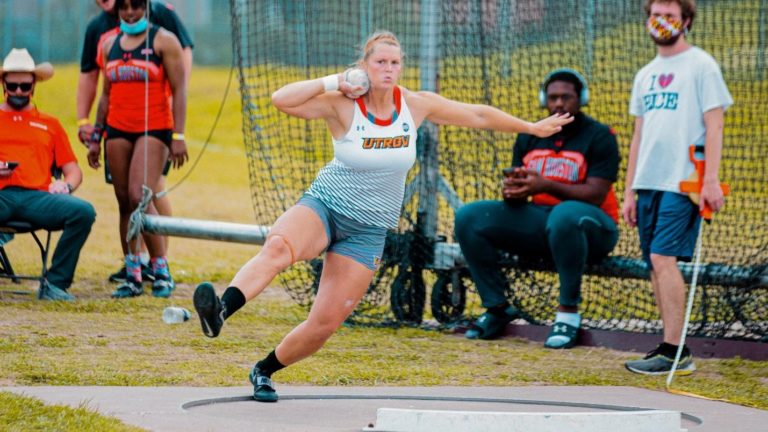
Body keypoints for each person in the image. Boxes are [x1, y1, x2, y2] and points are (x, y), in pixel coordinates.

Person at [191, 31, 572, 403]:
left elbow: (476, 114)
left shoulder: (414, 104)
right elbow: (281, 99)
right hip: (326, 206)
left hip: (368, 230)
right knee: (277, 248)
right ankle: (220, 312)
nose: (388, 69)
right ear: (365, 66)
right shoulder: (342, 102)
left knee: (324, 325)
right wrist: (335, 80)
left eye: (394, 63)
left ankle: (264, 370)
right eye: (380, 62)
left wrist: (530, 127)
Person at [454, 69, 620, 348]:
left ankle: (568, 314)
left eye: (565, 98)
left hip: (593, 227)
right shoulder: (530, 135)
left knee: (565, 215)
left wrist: (545, 185)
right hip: (546, 223)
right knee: (470, 217)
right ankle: (497, 308)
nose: (558, 104)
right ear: (544, 100)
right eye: (553, 98)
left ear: (581, 100)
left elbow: (595, 193)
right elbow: (523, 192)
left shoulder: (599, 136)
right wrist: (515, 192)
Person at [622, 0, 732, 375]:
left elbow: (714, 124)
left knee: (663, 259)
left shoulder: (701, 65)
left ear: (685, 21)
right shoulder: (645, 74)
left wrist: (711, 180)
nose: (661, 22)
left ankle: (675, 351)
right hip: (649, 182)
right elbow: (639, 135)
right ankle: (668, 345)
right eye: (656, 15)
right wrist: (629, 191)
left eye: (669, 16)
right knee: (654, 263)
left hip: (682, 182)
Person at [77, 0, 194, 284]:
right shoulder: (108, 44)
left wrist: (178, 135)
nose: (130, 13)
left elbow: (179, 91)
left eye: (137, 7)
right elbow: (105, 95)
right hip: (117, 129)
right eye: (125, 7)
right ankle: (132, 273)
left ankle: (160, 269)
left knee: (138, 195)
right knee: (123, 203)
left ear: (147, 8)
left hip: (153, 129)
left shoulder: (164, 41)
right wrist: (96, 137)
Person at [0, 48, 97, 301]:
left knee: (83, 211)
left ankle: (54, 284)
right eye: (13, 86)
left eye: (24, 85)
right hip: (2, 195)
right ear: (4, 85)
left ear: (34, 85)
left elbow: (73, 169)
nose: (19, 91)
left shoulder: (50, 124)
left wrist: (65, 186)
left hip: (38, 198)